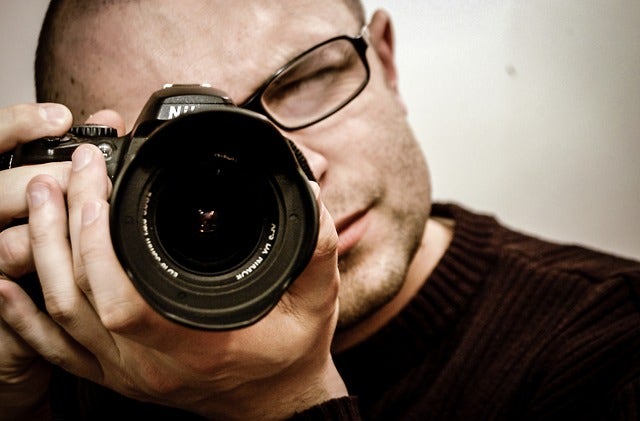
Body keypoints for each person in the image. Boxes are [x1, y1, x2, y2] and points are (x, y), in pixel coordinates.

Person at [0, 0, 638, 419]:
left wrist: (286, 402)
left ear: (384, 60)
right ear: (83, 177)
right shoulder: (56, 346)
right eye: (183, 146)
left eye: (304, 79)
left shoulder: (610, 348)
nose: (301, 169)